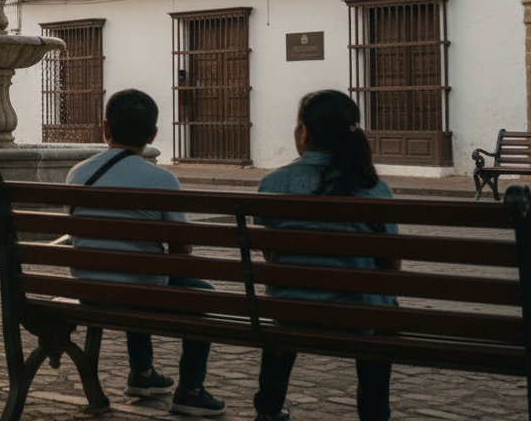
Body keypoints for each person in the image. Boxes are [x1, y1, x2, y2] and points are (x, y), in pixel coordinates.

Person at [65, 89, 225, 417]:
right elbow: (181, 249)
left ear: (105, 129)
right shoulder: (161, 179)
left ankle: (144, 375)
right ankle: (191, 390)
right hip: (138, 290)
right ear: (152, 135)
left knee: (143, 277)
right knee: (199, 296)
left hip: (89, 290)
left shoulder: (78, 173)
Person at [252, 90, 398, 421]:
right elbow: (391, 264)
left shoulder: (273, 184)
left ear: (304, 133)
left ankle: (269, 408)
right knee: (383, 311)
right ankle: (375, 413)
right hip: (358, 316)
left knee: (284, 303)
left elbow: (270, 255)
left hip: (290, 311)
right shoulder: (374, 188)